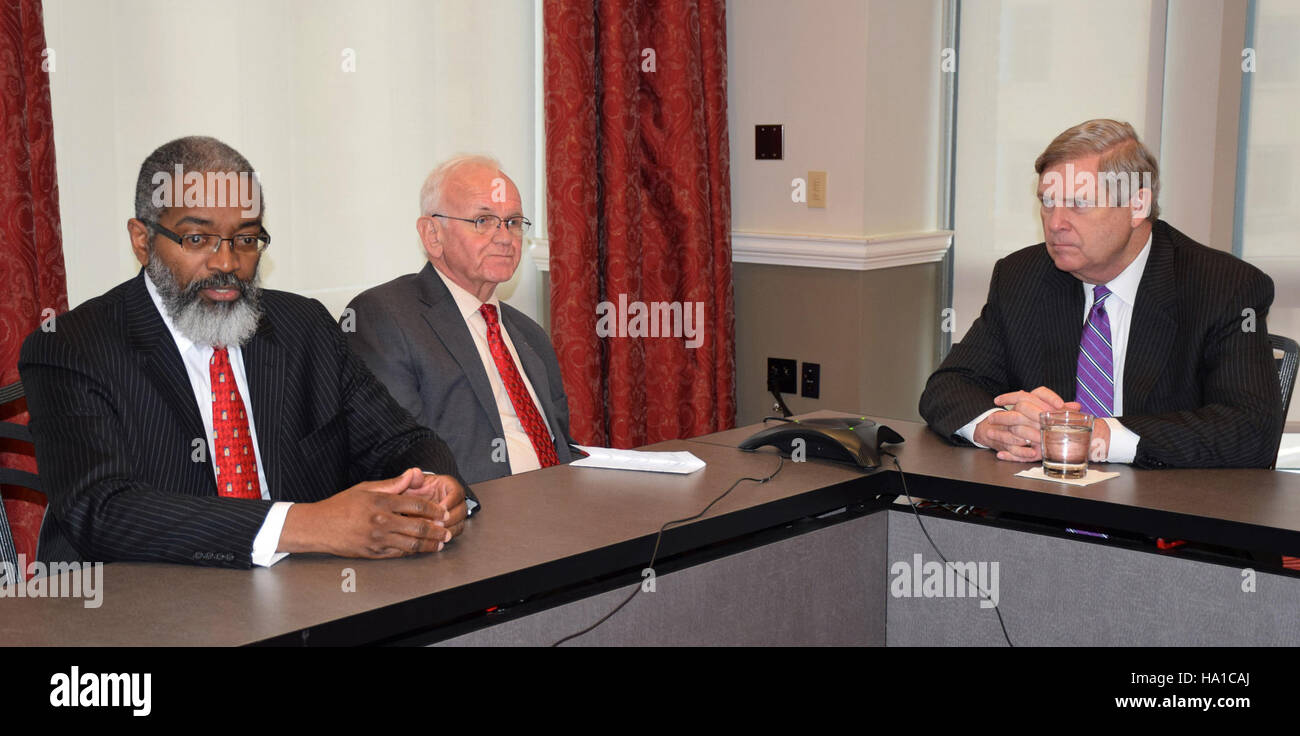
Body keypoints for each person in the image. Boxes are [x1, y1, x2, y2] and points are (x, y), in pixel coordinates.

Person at [19, 136, 473, 569]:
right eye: (197, 240)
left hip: (303, 598)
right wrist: (306, 525)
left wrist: (437, 486)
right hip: (140, 605)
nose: (226, 263)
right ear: (142, 240)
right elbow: (102, 511)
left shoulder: (304, 326)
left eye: (246, 239)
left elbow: (402, 442)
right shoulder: (71, 346)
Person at [919, 119, 1283, 469]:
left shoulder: (1224, 287)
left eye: (1078, 204)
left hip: (1163, 512)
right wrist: (993, 426)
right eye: (1047, 202)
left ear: (1137, 206)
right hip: (1040, 503)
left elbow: (1251, 428)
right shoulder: (1022, 277)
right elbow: (949, 385)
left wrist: (1101, 436)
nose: (1055, 222)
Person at [344, 155, 574, 484]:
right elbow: (400, 457)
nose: (505, 237)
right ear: (432, 234)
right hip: (472, 521)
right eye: (483, 221)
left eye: (512, 222)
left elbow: (563, 445)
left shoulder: (529, 334)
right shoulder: (384, 317)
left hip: (562, 509)